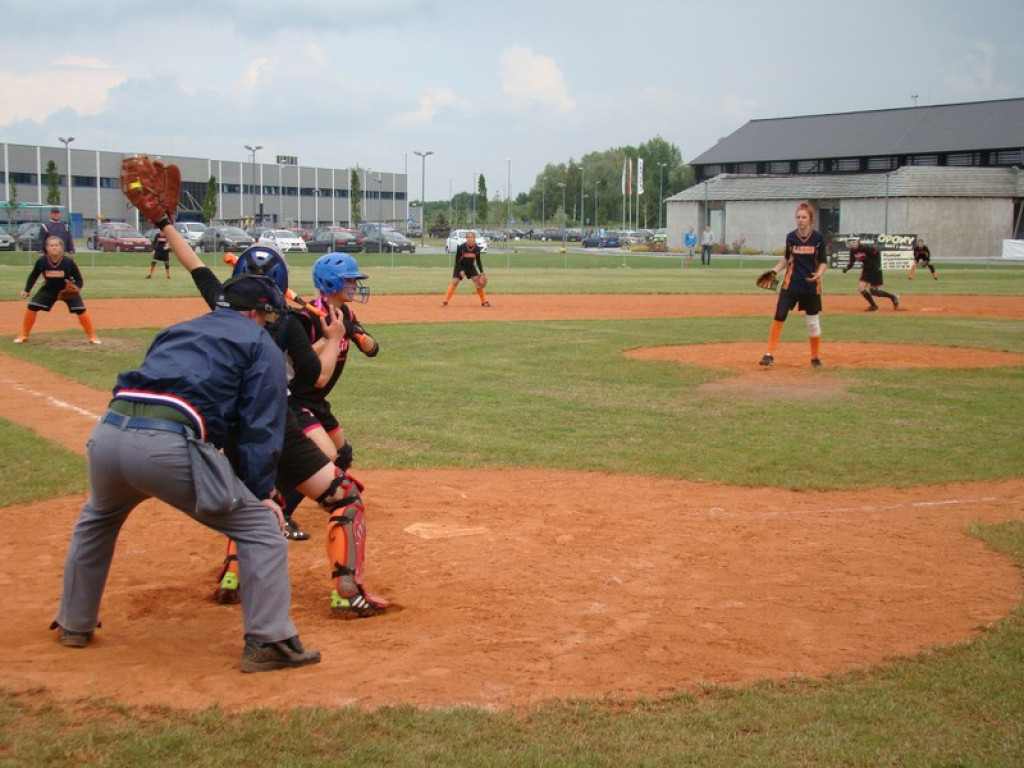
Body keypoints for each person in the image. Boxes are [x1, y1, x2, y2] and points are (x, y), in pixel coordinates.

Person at [50, 272, 322, 672]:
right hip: (164, 446)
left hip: (107, 433)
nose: (268, 324)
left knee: (98, 518)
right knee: (262, 529)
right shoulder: (257, 341)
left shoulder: (177, 329)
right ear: (255, 313)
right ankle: (270, 641)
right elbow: (259, 425)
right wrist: (261, 492)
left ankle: (74, 623)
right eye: (266, 317)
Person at [155, 228, 389, 617]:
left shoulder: (221, 305)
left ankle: (233, 573)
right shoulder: (288, 324)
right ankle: (346, 593)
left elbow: (195, 265)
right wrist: (332, 338)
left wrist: (165, 224)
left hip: (232, 426)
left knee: (255, 499)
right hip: (277, 417)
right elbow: (312, 376)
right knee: (345, 496)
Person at [281, 252, 389, 616]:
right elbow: (306, 368)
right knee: (322, 457)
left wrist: (356, 335)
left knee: (343, 455)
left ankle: (294, 502)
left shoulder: (345, 314)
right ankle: (283, 512)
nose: (355, 287)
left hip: (319, 403)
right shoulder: (305, 320)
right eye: (349, 282)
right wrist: (328, 337)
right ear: (330, 284)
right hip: (297, 400)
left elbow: (373, 350)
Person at [758, 201, 828, 369]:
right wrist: (774, 272)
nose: (800, 220)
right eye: (798, 217)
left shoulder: (818, 238)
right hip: (791, 284)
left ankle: (815, 357)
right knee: (779, 315)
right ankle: (769, 354)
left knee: (812, 322)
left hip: (811, 285)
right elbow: (786, 258)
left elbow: (824, 262)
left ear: (810, 219)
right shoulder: (791, 237)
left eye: (804, 217)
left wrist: (819, 273)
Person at [15, 235, 100, 344]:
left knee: (80, 309)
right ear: (47, 248)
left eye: (56, 245)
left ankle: (92, 336)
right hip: (48, 289)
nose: (54, 247)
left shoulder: (68, 262)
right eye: (51, 245)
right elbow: (33, 276)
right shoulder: (42, 261)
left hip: (67, 289)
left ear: (61, 247)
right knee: (32, 306)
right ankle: (23, 335)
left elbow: (79, 280)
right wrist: (27, 290)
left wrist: (76, 288)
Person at [843, 234, 900, 311]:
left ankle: (893, 296)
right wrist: (847, 268)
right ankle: (873, 306)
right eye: (849, 242)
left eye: (851, 241)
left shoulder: (865, 248)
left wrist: (878, 266)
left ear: (856, 241)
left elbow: (877, 253)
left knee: (873, 291)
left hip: (874, 269)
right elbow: (851, 263)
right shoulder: (852, 251)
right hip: (866, 269)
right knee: (861, 288)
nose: (850, 243)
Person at [443, 230, 489, 307]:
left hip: (470, 267)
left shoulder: (477, 249)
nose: (470, 239)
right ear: (466, 238)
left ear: (474, 238)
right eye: (468, 237)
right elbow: (457, 260)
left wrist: (481, 271)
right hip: (460, 265)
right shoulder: (461, 247)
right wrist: (461, 270)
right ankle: (445, 301)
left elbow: (478, 261)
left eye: (472, 237)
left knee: (478, 282)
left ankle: (484, 301)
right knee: (455, 281)